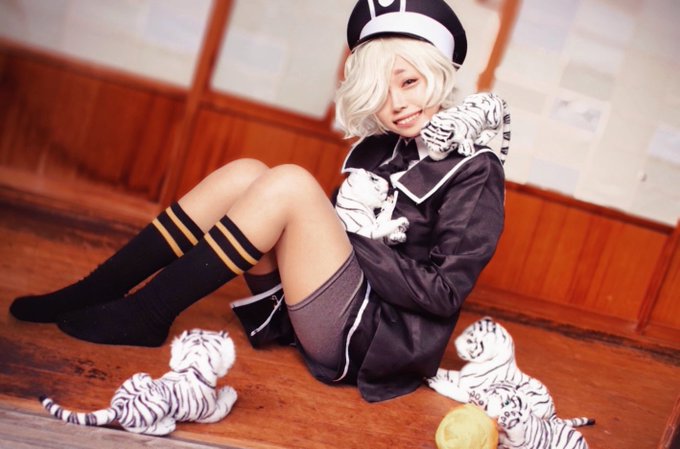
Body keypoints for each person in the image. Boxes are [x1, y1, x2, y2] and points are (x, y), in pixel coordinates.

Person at [9, 0, 505, 402]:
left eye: (409, 81)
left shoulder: (476, 169)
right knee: (247, 172)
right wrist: (341, 232)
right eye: (380, 90)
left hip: (373, 340)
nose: (396, 104)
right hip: (313, 310)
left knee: (291, 183)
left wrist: (351, 237)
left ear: (438, 73)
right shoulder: (384, 146)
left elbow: (443, 292)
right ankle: (94, 291)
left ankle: (148, 313)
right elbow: (328, 242)